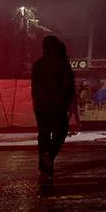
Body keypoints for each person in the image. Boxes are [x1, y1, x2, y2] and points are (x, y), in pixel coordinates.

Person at [31, 35, 75, 178]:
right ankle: (49, 154)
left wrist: (36, 103)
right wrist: (68, 103)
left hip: (40, 105)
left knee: (43, 134)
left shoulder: (38, 64)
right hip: (57, 104)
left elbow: (34, 88)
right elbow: (69, 85)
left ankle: (44, 168)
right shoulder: (62, 63)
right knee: (60, 132)